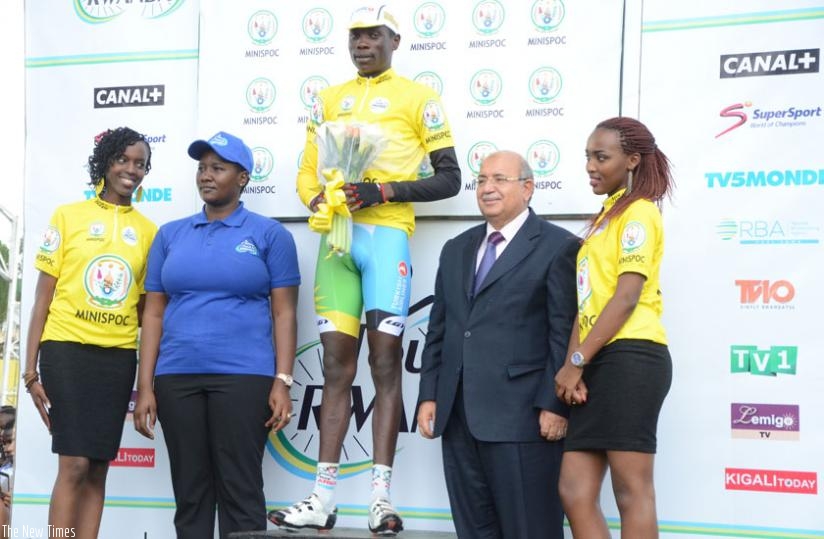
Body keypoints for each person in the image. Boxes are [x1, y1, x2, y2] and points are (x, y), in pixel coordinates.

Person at [269, 4, 460, 535]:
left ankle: (380, 498)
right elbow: (308, 170)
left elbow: (450, 179)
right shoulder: (328, 98)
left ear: (394, 39)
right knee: (334, 367)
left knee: (385, 361)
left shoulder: (419, 97)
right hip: (337, 241)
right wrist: (319, 200)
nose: (362, 44)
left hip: (386, 236)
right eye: (355, 36)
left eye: (373, 35)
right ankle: (322, 498)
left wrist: (382, 190)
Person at [133, 131, 300, 539]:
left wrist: (282, 380)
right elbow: (153, 313)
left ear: (242, 178)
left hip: (244, 377)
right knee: (190, 492)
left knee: (240, 490)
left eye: (218, 168)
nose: (206, 176)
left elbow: (284, 311)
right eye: (202, 168)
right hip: (177, 378)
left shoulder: (269, 234)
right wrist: (145, 387)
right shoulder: (171, 234)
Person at [417, 150, 579, 539]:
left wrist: (554, 404)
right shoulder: (456, 248)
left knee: (530, 529)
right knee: (473, 530)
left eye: (499, 179)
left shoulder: (559, 246)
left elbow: (564, 332)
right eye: (481, 180)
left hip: (524, 420)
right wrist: (429, 395)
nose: (487, 188)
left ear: (528, 188)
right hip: (458, 418)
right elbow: (440, 328)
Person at [23, 127, 156, 538]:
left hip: (117, 359)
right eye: (123, 160)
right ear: (105, 162)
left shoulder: (150, 232)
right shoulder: (67, 216)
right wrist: (29, 373)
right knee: (74, 463)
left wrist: (145, 381)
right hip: (66, 350)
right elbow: (42, 300)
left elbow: (144, 311)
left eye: (140, 164)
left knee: (98, 467)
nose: (131, 170)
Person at [554, 117, 674, 539]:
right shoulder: (605, 217)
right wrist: (575, 363)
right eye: (587, 155)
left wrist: (577, 360)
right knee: (573, 489)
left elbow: (625, 297)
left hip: (632, 358)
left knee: (631, 491)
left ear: (632, 160)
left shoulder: (639, 213)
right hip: (596, 358)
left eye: (601, 157)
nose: (590, 165)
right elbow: (585, 304)